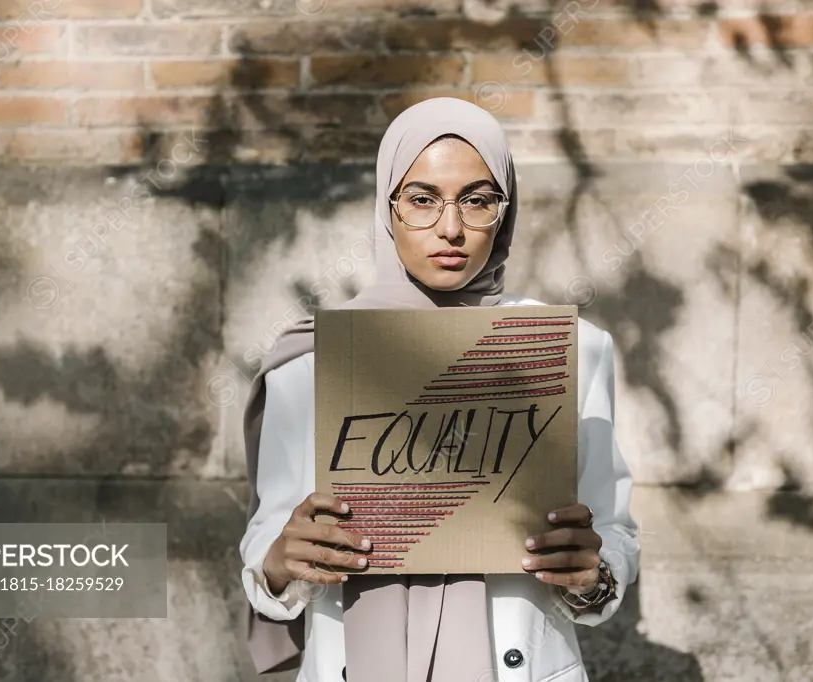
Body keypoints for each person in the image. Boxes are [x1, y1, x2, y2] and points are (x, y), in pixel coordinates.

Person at [239, 97, 639, 682]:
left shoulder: (568, 350)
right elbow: (264, 547)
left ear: (505, 210)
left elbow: (613, 531)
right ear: (387, 208)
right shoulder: (313, 359)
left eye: (477, 200)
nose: (451, 228)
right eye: (422, 200)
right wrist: (281, 559)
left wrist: (593, 572)